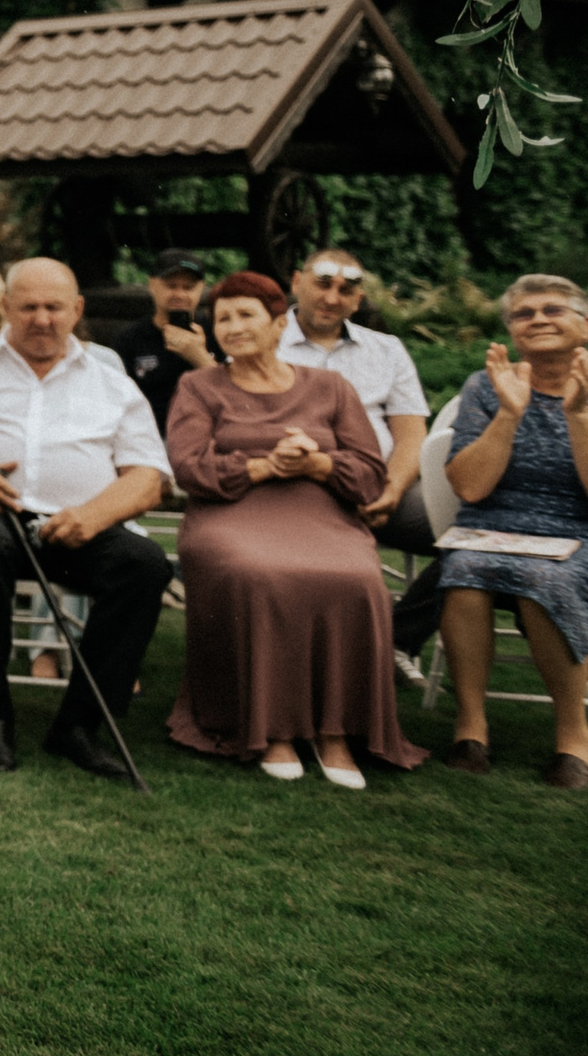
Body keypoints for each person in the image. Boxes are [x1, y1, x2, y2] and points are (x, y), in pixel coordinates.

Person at [164, 270, 422, 785]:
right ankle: (272, 730)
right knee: (256, 572)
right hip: (229, 515)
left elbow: (370, 472)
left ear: (279, 323)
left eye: (245, 316)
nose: (232, 328)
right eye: (222, 319)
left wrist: (317, 465)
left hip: (320, 514)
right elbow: (188, 466)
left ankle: (336, 732)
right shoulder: (198, 386)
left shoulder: (330, 387)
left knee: (357, 577)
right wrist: (263, 466)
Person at [0, 259, 174, 781]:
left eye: (54, 307)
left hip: (77, 523)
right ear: (6, 309)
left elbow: (148, 476)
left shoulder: (111, 383)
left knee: (145, 564)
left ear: (77, 310)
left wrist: (93, 515)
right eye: (29, 307)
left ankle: (79, 725)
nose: (42, 319)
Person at [433, 274, 588, 788]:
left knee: (543, 582)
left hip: (576, 533)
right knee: (464, 573)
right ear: (512, 331)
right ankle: (471, 726)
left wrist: (579, 414)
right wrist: (509, 413)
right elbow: (469, 489)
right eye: (524, 314)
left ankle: (573, 735)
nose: (539, 319)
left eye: (554, 309)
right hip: (491, 525)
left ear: (583, 323)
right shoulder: (485, 386)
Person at [278, 248, 438, 674]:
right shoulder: (263, 340)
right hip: (296, 488)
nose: (333, 297)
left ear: (358, 297)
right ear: (297, 282)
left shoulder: (386, 350)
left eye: (346, 289)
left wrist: (392, 490)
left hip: (382, 489)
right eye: (323, 284)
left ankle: (397, 639)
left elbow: (411, 434)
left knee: (469, 536)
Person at [111, 248, 214, 427]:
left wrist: (200, 357)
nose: (180, 294)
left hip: (208, 433)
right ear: (151, 285)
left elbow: (235, 395)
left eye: (188, 287)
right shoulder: (129, 339)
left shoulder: (216, 332)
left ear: (201, 288)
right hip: (152, 435)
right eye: (171, 286)